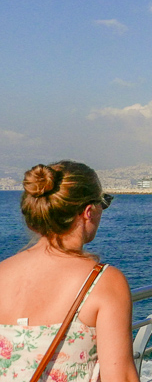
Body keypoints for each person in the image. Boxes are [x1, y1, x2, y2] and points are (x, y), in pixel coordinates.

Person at [0, 161, 139, 382]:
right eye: (104, 202)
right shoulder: (103, 282)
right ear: (88, 212)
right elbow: (120, 377)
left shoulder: (2, 273)